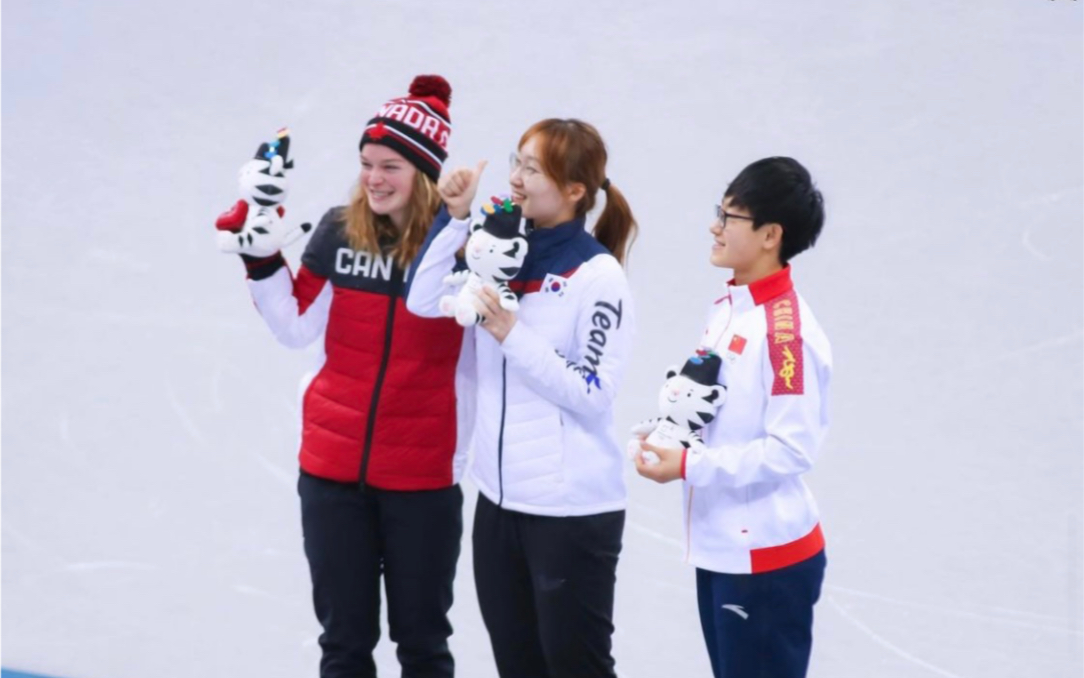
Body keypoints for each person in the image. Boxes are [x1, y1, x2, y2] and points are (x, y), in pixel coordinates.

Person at [220, 75, 467, 678]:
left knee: (423, 647)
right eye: (365, 164)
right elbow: (295, 325)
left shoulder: (459, 247)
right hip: (332, 474)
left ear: (425, 173)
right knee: (344, 644)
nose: (374, 178)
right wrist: (260, 259)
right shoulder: (337, 229)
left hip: (422, 481)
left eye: (390, 166)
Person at [406, 119, 637, 678]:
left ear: (575, 190)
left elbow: (593, 391)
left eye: (533, 169)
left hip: (571, 515)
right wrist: (453, 219)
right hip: (499, 505)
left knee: (575, 668)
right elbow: (419, 299)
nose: (515, 178)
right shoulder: (498, 252)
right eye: (517, 162)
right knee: (518, 667)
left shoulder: (597, 275)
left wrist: (510, 331)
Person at [634, 156, 830, 678]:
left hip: (765, 559)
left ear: (771, 234)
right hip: (722, 549)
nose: (714, 226)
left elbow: (791, 450)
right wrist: (669, 432)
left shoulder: (785, 334)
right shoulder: (729, 306)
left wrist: (687, 467)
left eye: (730, 216)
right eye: (718, 211)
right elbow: (717, 409)